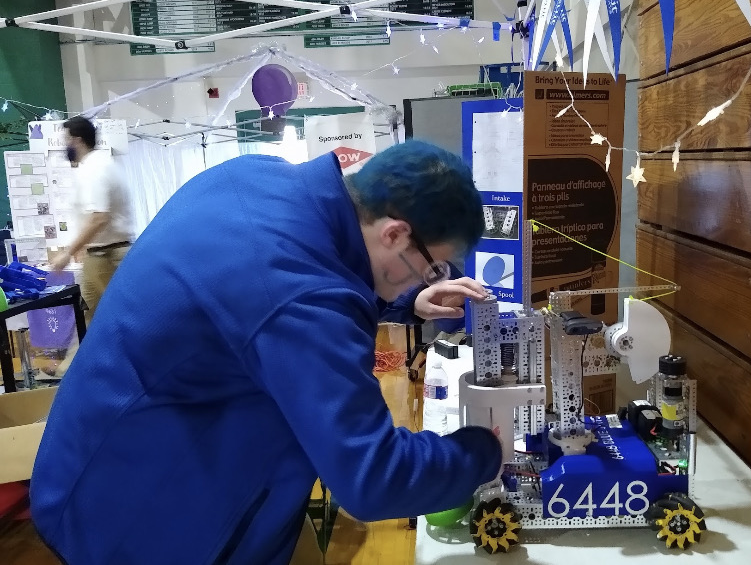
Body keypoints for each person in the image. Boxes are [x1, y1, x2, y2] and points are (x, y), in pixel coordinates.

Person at [30, 140, 503, 565]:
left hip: (98, 448)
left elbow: (279, 295)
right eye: (433, 267)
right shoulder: (301, 294)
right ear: (395, 234)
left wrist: (405, 302)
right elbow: (374, 478)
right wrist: (488, 450)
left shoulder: (257, 175)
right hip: (139, 516)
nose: (431, 279)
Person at [48, 116, 134, 377]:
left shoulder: (94, 168)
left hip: (107, 255)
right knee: (90, 315)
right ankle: (72, 370)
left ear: (77, 140)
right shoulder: (101, 164)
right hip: (103, 253)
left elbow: (99, 217)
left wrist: (67, 252)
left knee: (108, 316)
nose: (64, 146)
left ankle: (78, 371)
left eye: (65, 140)